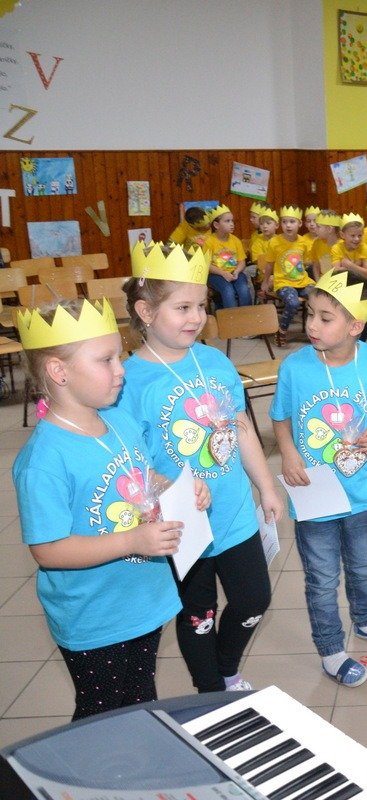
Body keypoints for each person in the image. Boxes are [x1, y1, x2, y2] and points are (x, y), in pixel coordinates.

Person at [13, 297, 206, 720]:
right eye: (106, 360)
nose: (121, 369)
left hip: (143, 597)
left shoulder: (118, 419)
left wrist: (176, 488)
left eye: (119, 356)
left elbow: (142, 475)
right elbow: (48, 550)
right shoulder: (44, 461)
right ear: (59, 372)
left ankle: (139, 755)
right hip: (95, 616)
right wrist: (131, 541)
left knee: (140, 699)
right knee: (100, 715)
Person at [119, 243, 279, 694]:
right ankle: (210, 692)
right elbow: (130, 464)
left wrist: (266, 486)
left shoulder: (215, 360)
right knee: (198, 616)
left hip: (233, 512)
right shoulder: (128, 382)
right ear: (146, 312)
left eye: (201, 307)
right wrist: (168, 486)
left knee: (253, 599)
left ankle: (226, 669)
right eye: (182, 307)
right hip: (183, 525)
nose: (196, 318)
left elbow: (240, 427)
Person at [271, 270, 367, 687]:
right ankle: (330, 648)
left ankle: (366, 619)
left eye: (325, 318)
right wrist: (289, 452)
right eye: (310, 313)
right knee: (323, 576)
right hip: (314, 493)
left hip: (362, 490)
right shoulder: (295, 367)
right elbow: (280, 418)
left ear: (354, 326)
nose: (311, 324)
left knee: (363, 564)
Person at [267, 208, 320, 347]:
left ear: (300, 223)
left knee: (318, 297)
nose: (288, 225)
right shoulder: (274, 242)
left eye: (292, 222)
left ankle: (314, 330)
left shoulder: (303, 242)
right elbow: (269, 264)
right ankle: (282, 330)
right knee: (293, 303)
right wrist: (266, 281)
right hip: (283, 283)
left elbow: (307, 261)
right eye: (285, 222)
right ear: (280, 224)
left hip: (303, 281)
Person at [203, 204, 252, 310]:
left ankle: (247, 315)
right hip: (216, 275)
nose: (232, 224)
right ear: (216, 225)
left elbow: (242, 262)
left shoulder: (236, 240)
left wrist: (237, 271)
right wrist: (224, 274)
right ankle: (230, 317)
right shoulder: (209, 242)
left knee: (243, 290)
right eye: (227, 221)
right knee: (228, 290)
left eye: (232, 221)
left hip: (235, 273)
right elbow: (207, 265)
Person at [331, 213, 367, 280]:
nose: (357, 239)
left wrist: (350, 265)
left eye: (360, 235)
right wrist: (359, 267)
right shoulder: (337, 248)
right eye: (352, 235)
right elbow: (336, 272)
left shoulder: (364, 248)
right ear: (342, 235)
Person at [305, 209, 341, 280]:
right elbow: (316, 265)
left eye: (318, 227)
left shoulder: (342, 245)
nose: (315, 229)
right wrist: (318, 281)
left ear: (329, 229)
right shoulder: (317, 243)